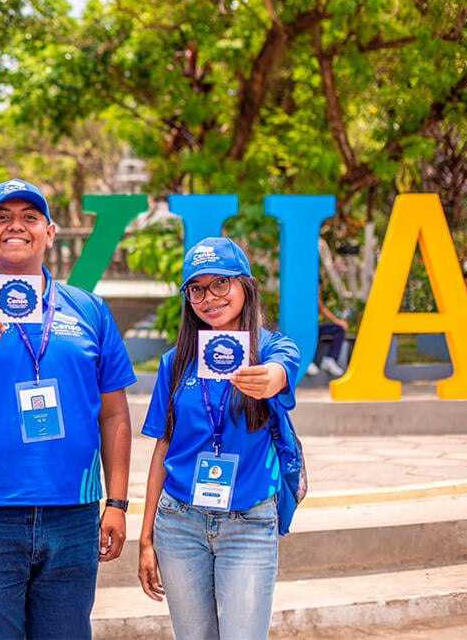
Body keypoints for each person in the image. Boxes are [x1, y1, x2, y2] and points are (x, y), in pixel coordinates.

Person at [0, 178, 135, 640]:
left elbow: (115, 413)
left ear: (50, 232)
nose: (15, 226)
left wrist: (116, 503)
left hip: (74, 513)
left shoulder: (89, 310)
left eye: (28, 218)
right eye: (1, 218)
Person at [138, 237, 300, 640]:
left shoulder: (272, 349)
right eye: (197, 288)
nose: (209, 297)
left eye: (220, 284)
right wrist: (145, 540)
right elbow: (163, 447)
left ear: (245, 286)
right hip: (178, 524)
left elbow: (283, 368)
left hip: (249, 522)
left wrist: (269, 378)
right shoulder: (173, 363)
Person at [306, 287, 348, 377]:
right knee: (305, 332)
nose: (318, 292)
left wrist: (337, 321)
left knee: (339, 329)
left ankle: (329, 359)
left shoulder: (316, 297)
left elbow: (321, 307)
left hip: (314, 327)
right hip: (301, 328)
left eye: (319, 290)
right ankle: (305, 361)